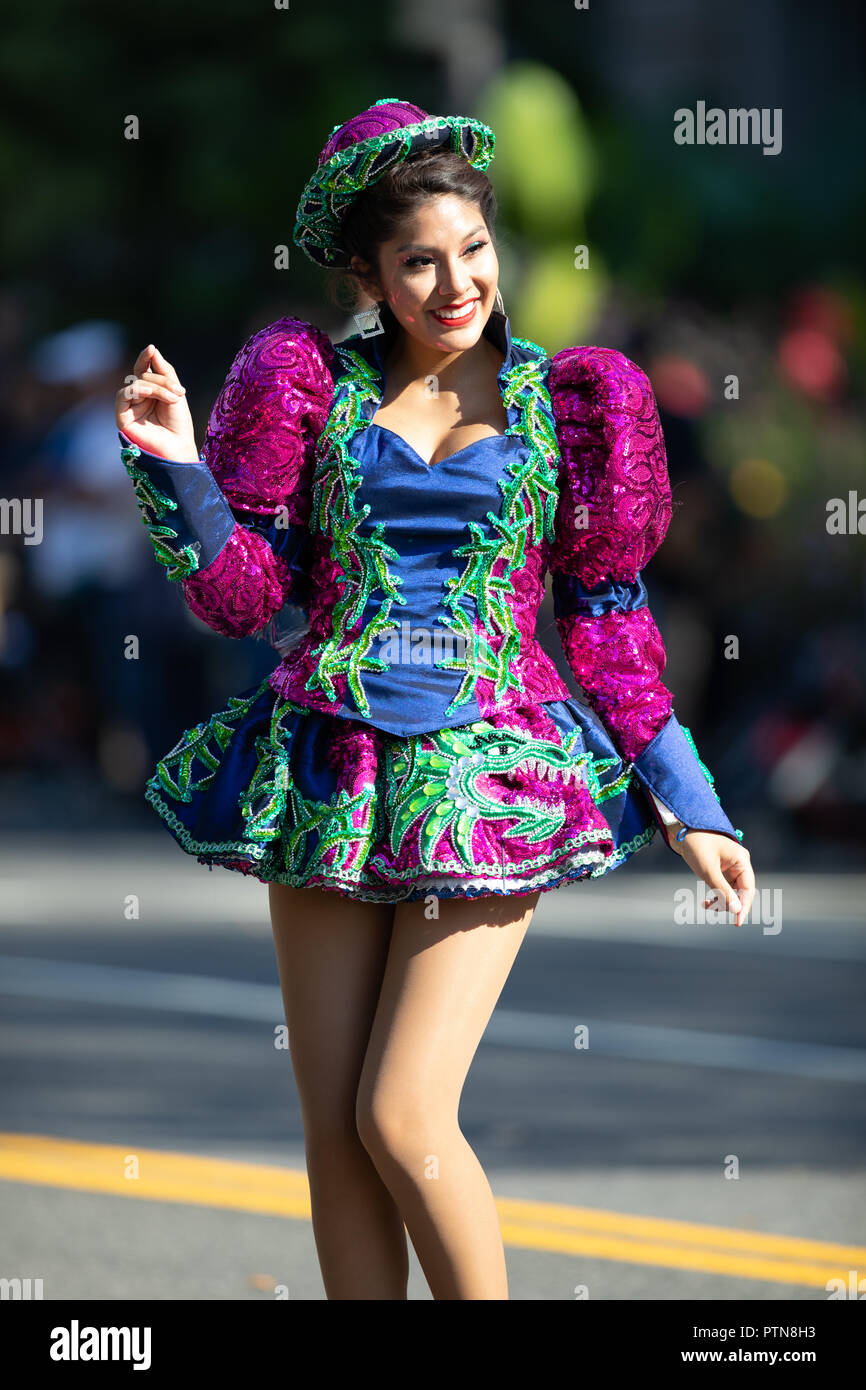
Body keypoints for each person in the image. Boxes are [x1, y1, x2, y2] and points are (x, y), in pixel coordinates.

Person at [114, 98, 755, 1300]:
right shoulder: (306, 385)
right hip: (325, 768)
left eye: (471, 250)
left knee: (403, 1113)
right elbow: (246, 598)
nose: (455, 283)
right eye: (417, 261)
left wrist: (689, 800)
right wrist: (178, 468)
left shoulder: (571, 403)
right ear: (365, 273)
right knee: (335, 1129)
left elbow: (607, 622)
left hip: (489, 772)